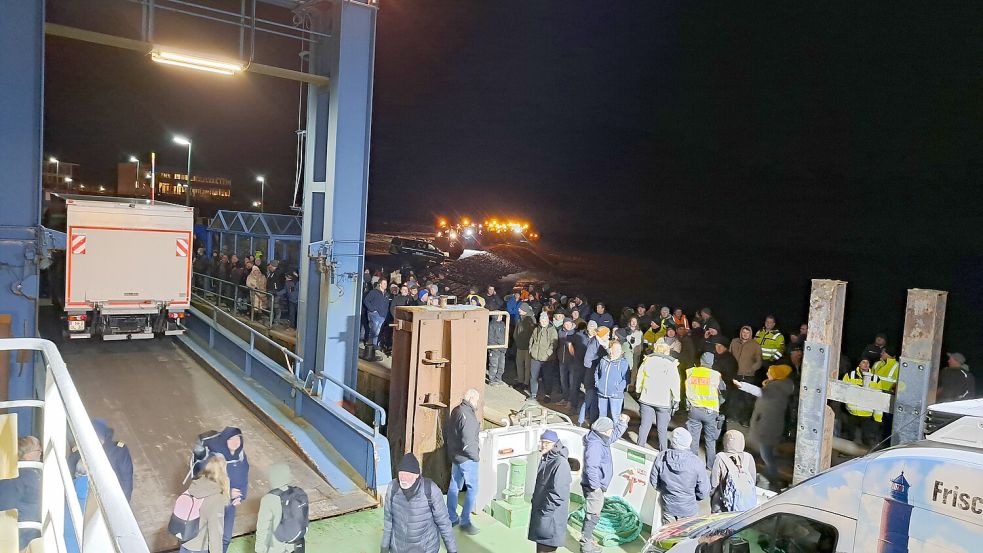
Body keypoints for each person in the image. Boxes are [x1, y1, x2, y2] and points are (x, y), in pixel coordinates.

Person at [735, 364, 795, 489]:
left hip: (767, 429)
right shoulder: (779, 387)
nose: (767, 374)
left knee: (767, 456)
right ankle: (768, 478)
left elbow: (759, 392)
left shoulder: (774, 389)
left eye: (770, 372)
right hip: (769, 427)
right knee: (765, 454)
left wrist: (742, 385)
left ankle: (771, 481)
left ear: (776, 376)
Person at [382, 453, 458, 553]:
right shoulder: (392, 488)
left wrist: (452, 550)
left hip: (425, 549)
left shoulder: (431, 490)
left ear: (417, 475)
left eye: (408, 475)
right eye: (401, 473)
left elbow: (444, 523)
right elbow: (388, 521)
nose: (403, 478)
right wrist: (384, 548)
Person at [580, 415, 629, 553]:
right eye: (610, 429)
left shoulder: (600, 439)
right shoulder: (595, 445)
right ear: (605, 430)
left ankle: (587, 541)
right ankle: (586, 545)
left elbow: (613, 436)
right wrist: (596, 487)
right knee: (593, 515)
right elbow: (591, 467)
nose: (611, 431)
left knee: (593, 514)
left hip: (596, 485)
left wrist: (622, 423)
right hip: (594, 487)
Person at [649, 428, 708, 525]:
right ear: (689, 442)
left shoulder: (661, 457)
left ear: (672, 441)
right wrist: (692, 497)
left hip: (668, 507)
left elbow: (654, 482)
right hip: (689, 509)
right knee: (687, 538)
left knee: (669, 537)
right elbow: (703, 492)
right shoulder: (697, 463)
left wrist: (666, 492)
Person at [444, 389, 481, 535]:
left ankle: (451, 517)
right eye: (476, 400)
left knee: (454, 485)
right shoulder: (469, 417)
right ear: (472, 399)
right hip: (467, 458)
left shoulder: (456, 410)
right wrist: (476, 457)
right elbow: (468, 442)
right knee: (473, 489)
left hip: (455, 455)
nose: (477, 403)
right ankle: (465, 521)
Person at [528, 430, 571, 553]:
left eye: (547, 443)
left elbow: (558, 494)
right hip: (543, 515)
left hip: (550, 518)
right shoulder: (546, 459)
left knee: (545, 549)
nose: (543, 445)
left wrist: (545, 514)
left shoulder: (560, 463)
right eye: (541, 442)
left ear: (555, 444)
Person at [180, 455, 230, 553]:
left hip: (185, 542)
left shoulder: (195, 485)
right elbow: (215, 532)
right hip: (199, 547)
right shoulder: (216, 498)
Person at [635, 343, 681, 450]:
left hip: (646, 398)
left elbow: (640, 377)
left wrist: (638, 391)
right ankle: (663, 450)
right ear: (667, 351)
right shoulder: (671, 364)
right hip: (663, 401)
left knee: (644, 426)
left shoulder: (647, 361)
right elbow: (675, 383)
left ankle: (639, 447)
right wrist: (677, 399)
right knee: (662, 429)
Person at [209, 427, 248, 552]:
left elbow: (244, 477)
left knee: (226, 538)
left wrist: (241, 496)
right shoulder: (215, 458)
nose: (235, 442)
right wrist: (227, 492)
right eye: (231, 439)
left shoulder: (241, 456)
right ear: (225, 440)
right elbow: (208, 483)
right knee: (213, 537)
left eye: (238, 438)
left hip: (230, 504)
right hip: (215, 503)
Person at [685, 353, 726, 470]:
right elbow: (722, 390)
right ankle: (710, 466)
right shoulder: (715, 375)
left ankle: (692, 464)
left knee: (693, 438)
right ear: (712, 363)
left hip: (694, 409)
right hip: (710, 412)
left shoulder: (691, 371)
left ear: (701, 361)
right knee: (710, 440)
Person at [0, 436, 42, 550]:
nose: (41, 453)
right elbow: (5, 506)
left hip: (29, 536)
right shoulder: (19, 476)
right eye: (38, 450)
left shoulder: (30, 473)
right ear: (27, 455)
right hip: (22, 539)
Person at [255, 464, 304, 553]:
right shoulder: (298, 494)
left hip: (276, 547)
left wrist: (259, 549)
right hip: (296, 544)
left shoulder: (269, 499)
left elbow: (263, 527)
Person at [709, 430, 757, 513]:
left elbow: (714, 483)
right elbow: (753, 480)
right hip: (745, 503)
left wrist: (712, 495)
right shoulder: (748, 457)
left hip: (724, 502)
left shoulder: (720, 457)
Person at [840, 359, 883, 447]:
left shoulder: (876, 379)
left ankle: (868, 455)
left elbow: (878, 398)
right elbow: (842, 391)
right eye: (863, 362)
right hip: (851, 412)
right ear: (859, 364)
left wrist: (877, 418)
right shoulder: (850, 376)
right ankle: (845, 451)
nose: (866, 364)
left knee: (868, 438)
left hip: (867, 414)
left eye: (868, 362)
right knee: (849, 435)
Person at [730, 326, 763, 425]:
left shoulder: (755, 345)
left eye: (747, 333)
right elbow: (729, 355)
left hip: (748, 376)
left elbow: (759, 361)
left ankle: (746, 420)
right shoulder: (734, 342)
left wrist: (752, 369)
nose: (745, 334)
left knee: (747, 399)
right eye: (743, 332)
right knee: (734, 398)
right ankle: (733, 417)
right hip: (735, 374)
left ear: (750, 334)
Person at [595, 340, 630, 420]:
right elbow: (597, 372)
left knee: (615, 416)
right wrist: (598, 383)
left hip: (616, 395)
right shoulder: (603, 360)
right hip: (602, 393)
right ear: (610, 349)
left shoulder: (623, 363)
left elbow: (626, 379)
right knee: (602, 416)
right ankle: (602, 432)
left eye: (619, 349)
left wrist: (618, 389)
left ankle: (616, 432)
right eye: (616, 349)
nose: (619, 351)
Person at [529, 311, 559, 401]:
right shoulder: (536, 329)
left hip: (547, 359)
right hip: (535, 357)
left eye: (544, 319)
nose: (543, 321)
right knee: (533, 376)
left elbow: (554, 343)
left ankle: (547, 395)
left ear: (547, 319)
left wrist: (548, 354)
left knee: (547, 377)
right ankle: (533, 394)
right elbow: (532, 339)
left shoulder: (552, 330)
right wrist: (531, 350)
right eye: (541, 320)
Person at [362, 279, 390, 361]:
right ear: (380, 284)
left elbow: (386, 305)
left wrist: (385, 314)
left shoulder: (387, 294)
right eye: (384, 283)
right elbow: (366, 300)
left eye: (386, 283)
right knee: (375, 331)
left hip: (382, 315)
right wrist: (372, 309)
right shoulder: (373, 292)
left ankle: (373, 347)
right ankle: (371, 346)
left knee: (377, 331)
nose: (385, 285)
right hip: (374, 314)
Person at [514, 302, 536, 390]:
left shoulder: (531, 319)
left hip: (527, 347)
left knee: (527, 366)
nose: (519, 310)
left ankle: (526, 383)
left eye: (521, 309)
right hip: (519, 346)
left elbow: (533, 334)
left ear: (525, 310)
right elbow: (516, 331)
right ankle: (520, 381)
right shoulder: (520, 319)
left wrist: (530, 344)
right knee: (519, 364)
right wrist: (516, 339)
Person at [556, 317, 578, 405]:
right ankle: (565, 398)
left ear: (572, 324)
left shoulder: (575, 333)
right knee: (563, 380)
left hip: (572, 361)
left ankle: (571, 401)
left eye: (569, 324)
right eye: (566, 324)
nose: (568, 325)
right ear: (563, 325)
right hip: (562, 360)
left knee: (572, 381)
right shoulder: (560, 332)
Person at [487, 314, 507, 385]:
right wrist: (493, 347)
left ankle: (498, 378)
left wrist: (505, 345)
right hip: (494, 349)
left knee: (501, 365)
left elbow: (505, 334)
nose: (502, 317)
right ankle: (491, 380)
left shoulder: (503, 324)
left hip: (502, 348)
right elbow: (490, 337)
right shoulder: (491, 325)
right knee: (493, 365)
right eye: (500, 315)